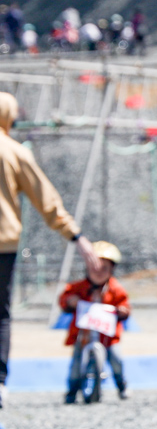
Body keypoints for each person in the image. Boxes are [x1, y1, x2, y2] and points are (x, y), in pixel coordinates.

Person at [0, 92, 101, 408]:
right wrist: (77, 237)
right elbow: (47, 201)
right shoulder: (14, 152)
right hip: (3, 244)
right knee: (0, 313)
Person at [59, 241, 130, 402]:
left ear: (112, 270)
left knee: (117, 360)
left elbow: (124, 304)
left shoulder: (115, 289)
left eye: (104, 268)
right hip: (83, 336)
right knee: (76, 365)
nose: (98, 272)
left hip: (108, 337)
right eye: (95, 267)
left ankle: (122, 385)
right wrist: (71, 301)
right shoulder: (78, 287)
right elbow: (64, 299)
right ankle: (71, 391)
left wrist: (122, 311)